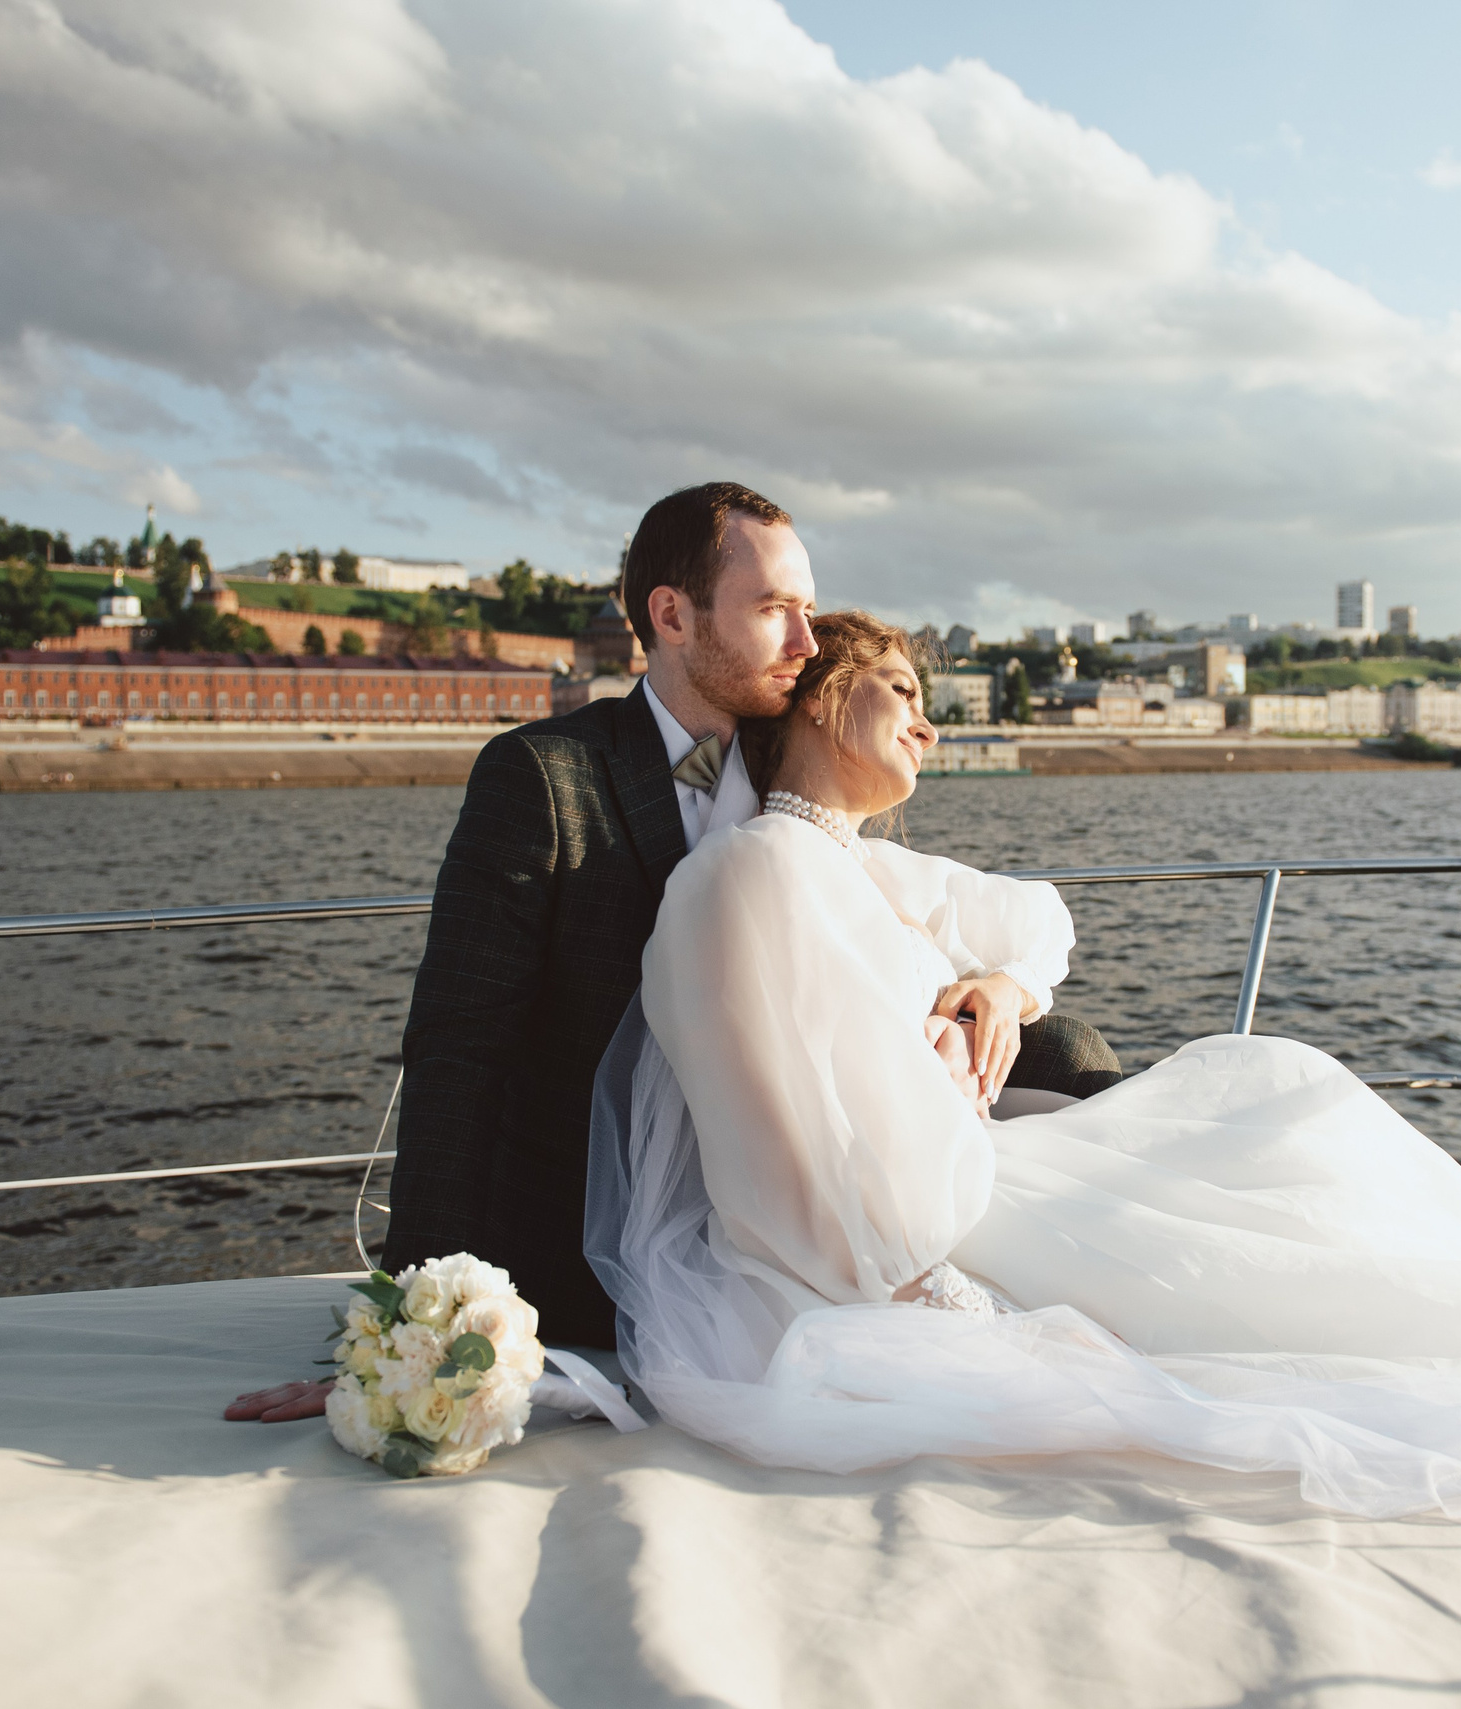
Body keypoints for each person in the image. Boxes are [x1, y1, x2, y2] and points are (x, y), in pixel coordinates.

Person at [585, 610, 1461, 1569]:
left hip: (958, 1167)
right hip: (919, 1219)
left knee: (1283, 1094)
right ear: (820, 693)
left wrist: (1001, 989)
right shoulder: (758, 877)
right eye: (903, 690)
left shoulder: (876, 867)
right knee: (1265, 1152)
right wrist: (942, 1284)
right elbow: (790, 1154)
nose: (929, 726)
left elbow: (1036, 918)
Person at [226, 485, 1122, 1424]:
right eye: (775, 610)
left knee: (1067, 1051)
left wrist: (995, 989)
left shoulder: (799, 769)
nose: (807, 643)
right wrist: (411, 1327)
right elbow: (459, 1051)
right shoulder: (544, 778)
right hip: (614, 1238)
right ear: (672, 616)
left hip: (815, 1186)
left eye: (808, 612)